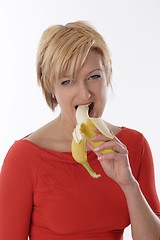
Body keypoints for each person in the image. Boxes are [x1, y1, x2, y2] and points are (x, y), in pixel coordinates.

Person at [0, 20, 160, 240]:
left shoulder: (133, 146)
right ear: (51, 87)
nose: (85, 94)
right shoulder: (24, 157)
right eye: (67, 82)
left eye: (94, 76)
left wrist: (129, 185)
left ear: (108, 75)